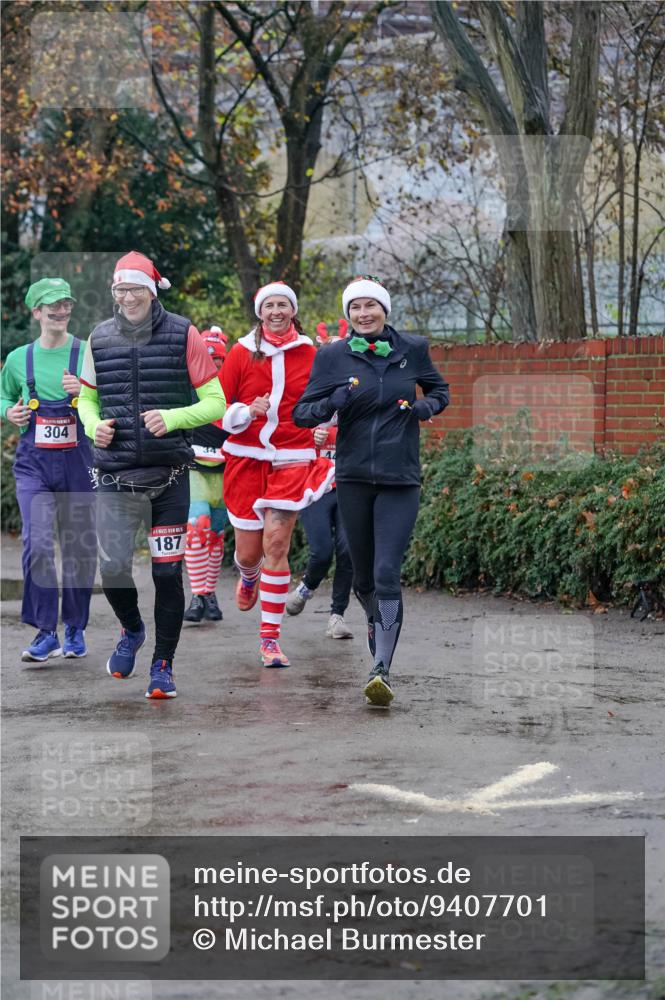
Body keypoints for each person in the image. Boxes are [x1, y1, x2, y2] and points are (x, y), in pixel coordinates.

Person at [293, 275, 449, 706]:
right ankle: (377, 624)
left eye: (371, 306)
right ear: (348, 315)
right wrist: (333, 403)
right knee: (363, 579)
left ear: (385, 310)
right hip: (354, 480)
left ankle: (381, 667)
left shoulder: (411, 349)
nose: (364, 314)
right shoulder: (331, 357)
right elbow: (302, 413)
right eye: (355, 308)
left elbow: (440, 390)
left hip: (401, 479)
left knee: (385, 573)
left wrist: (425, 407)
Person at [77, 251, 226, 699]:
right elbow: (86, 400)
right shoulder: (98, 338)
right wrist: (92, 425)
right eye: (120, 290)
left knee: (166, 574)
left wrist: (174, 417)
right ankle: (131, 630)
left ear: (151, 290)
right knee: (113, 568)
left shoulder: (185, 334)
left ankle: (163, 666)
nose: (127, 297)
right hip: (115, 477)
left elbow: (215, 402)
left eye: (135, 289)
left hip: (169, 477)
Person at [220, 281, 335, 668]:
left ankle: (269, 639)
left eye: (283, 305)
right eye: (269, 305)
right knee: (249, 552)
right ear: (259, 311)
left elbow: (328, 403)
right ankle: (248, 575)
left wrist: (324, 428)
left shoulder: (312, 354)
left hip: (293, 457)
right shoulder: (240, 353)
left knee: (277, 544)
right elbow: (217, 406)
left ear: (293, 310)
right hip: (247, 458)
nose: (276, 311)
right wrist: (244, 413)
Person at [1, 277, 96, 662]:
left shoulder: (88, 352)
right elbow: (4, 395)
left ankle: (74, 627)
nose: (61, 311)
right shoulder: (18, 358)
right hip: (33, 464)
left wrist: (85, 393)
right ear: (36, 311)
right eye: (52, 305)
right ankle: (45, 632)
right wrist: (8, 410)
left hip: (79, 460)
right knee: (37, 543)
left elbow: (111, 402)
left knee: (78, 547)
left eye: (66, 304)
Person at [286, 320, 354, 640]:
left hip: (350, 479)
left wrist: (336, 435)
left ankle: (337, 616)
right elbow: (292, 426)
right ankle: (307, 586)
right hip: (313, 480)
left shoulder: (356, 388)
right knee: (323, 551)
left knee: (349, 548)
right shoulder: (309, 389)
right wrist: (310, 435)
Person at [183, 326, 229, 624]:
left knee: (216, 535)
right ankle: (197, 595)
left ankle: (209, 593)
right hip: (194, 470)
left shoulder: (234, 387)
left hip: (227, 472)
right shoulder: (184, 386)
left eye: (219, 362)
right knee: (197, 528)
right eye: (209, 360)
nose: (214, 366)